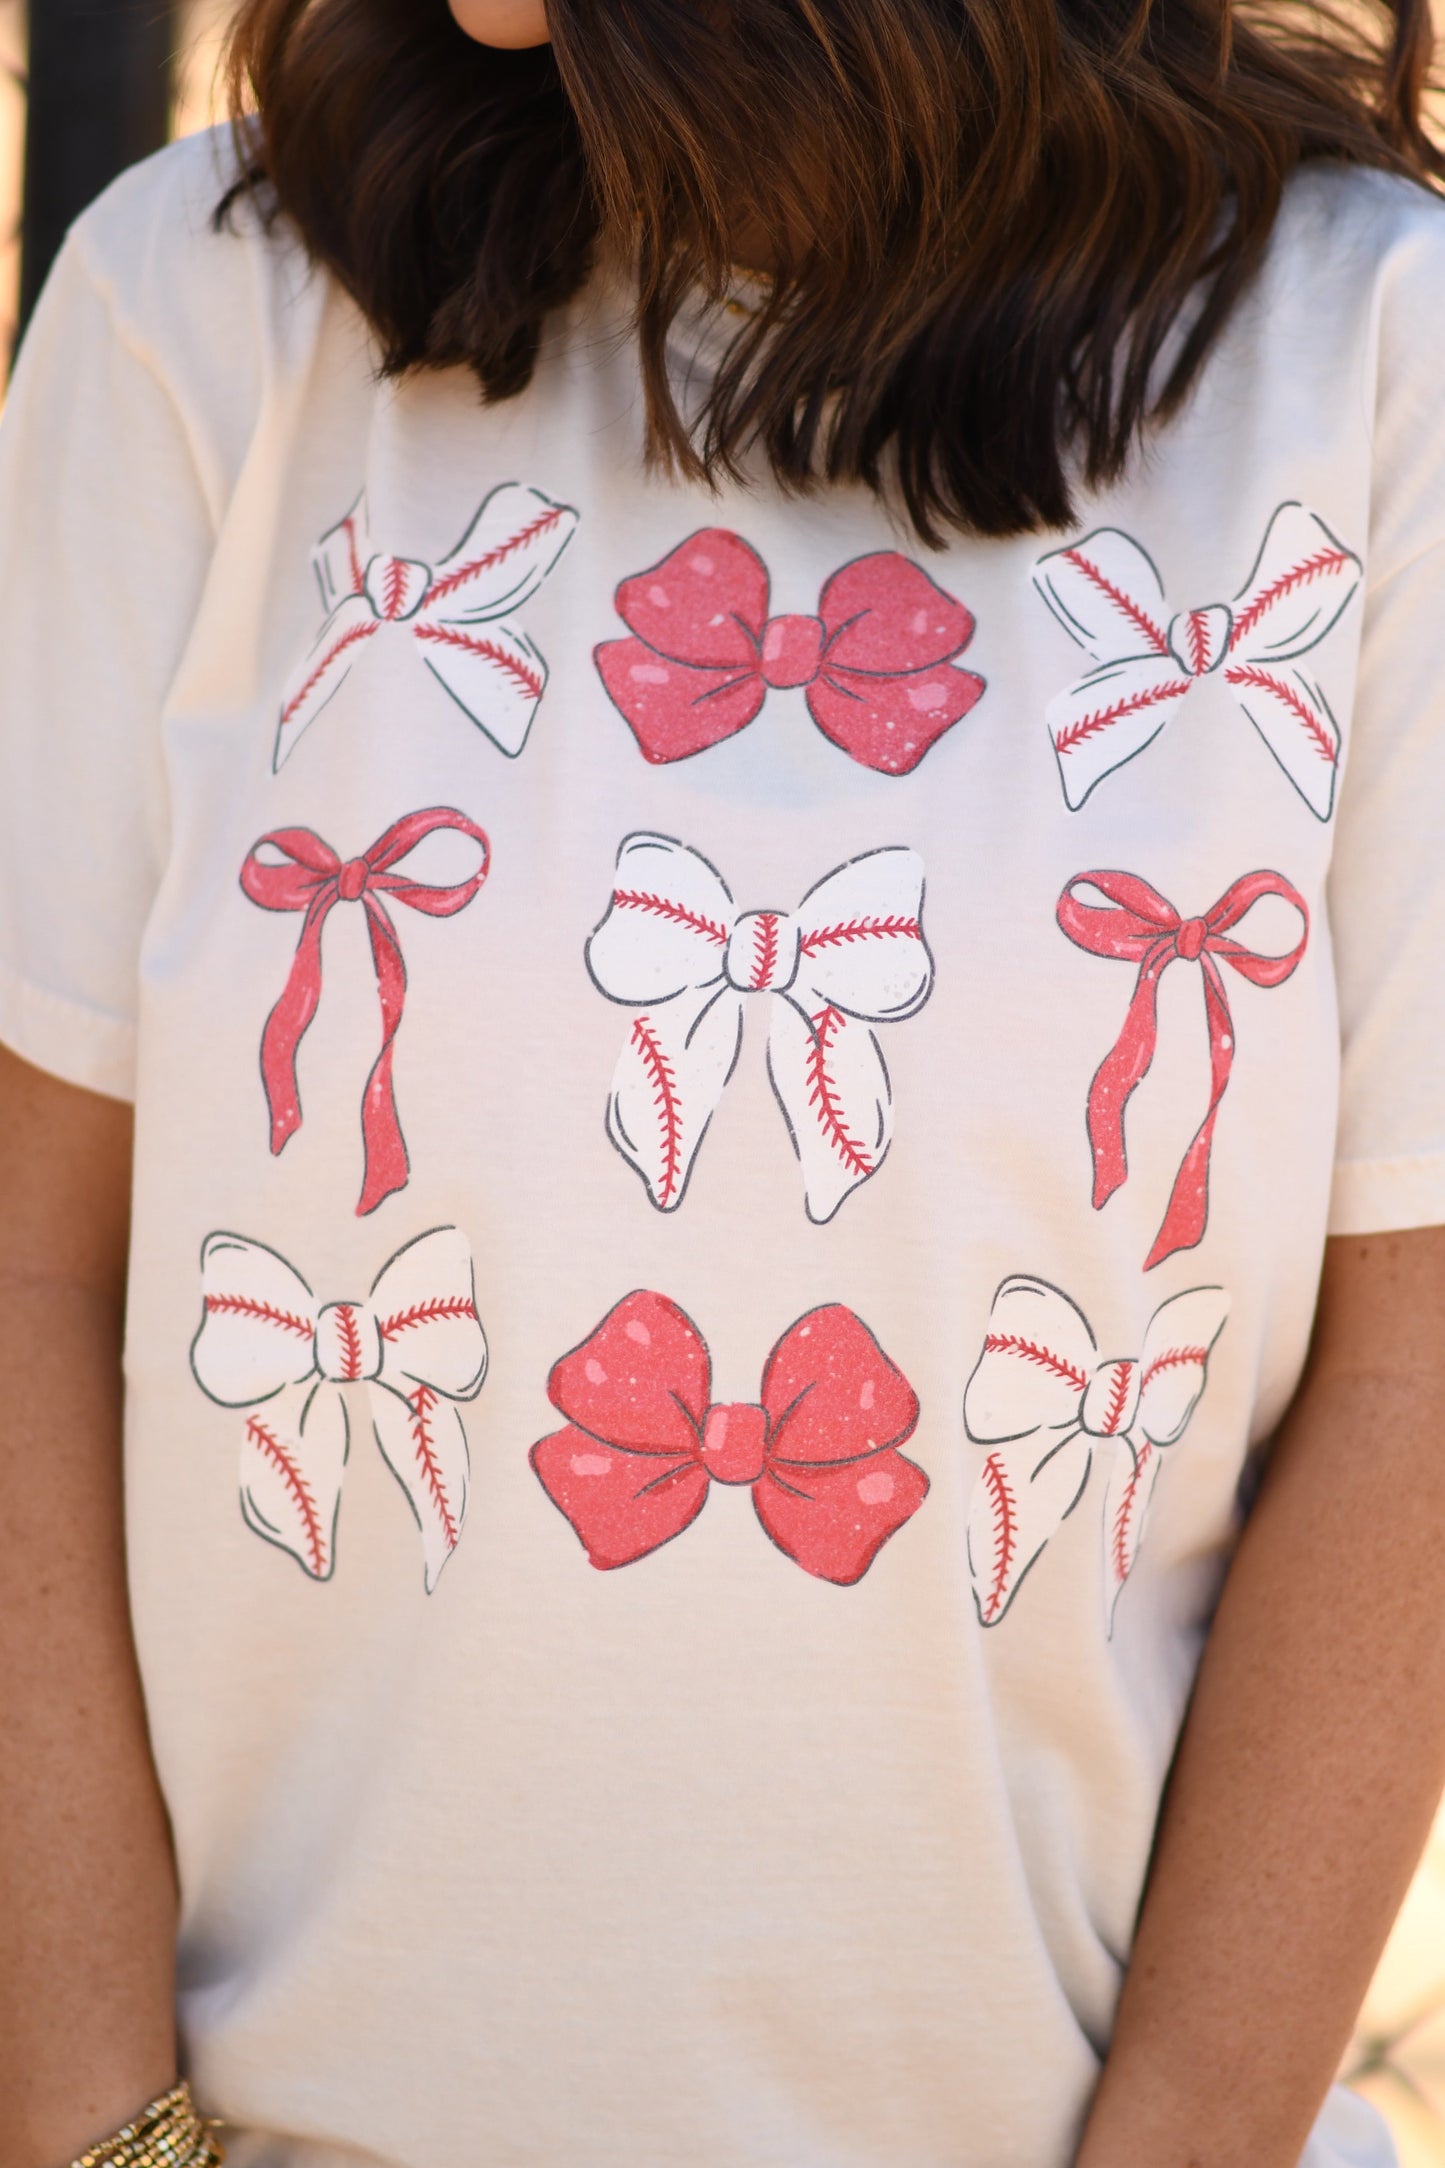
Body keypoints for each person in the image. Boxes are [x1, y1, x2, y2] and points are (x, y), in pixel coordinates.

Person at [3, 0, 1445, 2162]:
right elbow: (25, 1265)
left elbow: (1418, 1364)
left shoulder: (1374, 358)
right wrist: (97, 2137)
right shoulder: (195, 309)